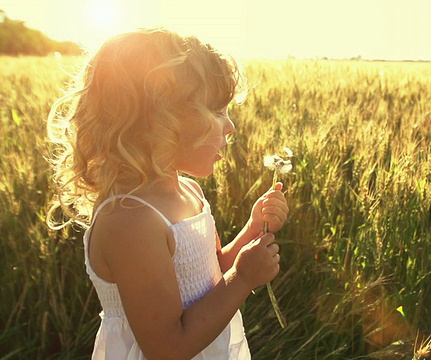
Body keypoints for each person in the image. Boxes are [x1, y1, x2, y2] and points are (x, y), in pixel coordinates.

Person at [46, 28, 288, 359]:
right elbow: (166, 347)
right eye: (216, 111)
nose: (230, 126)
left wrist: (252, 229)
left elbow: (211, 274)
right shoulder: (130, 221)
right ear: (157, 118)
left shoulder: (188, 192)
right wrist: (244, 278)